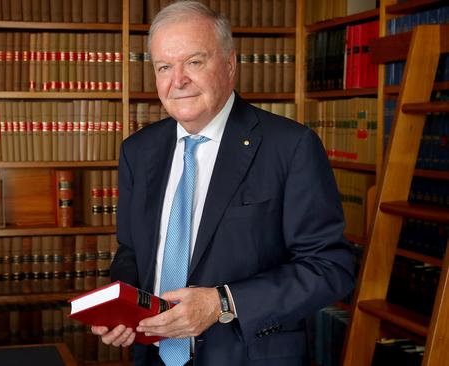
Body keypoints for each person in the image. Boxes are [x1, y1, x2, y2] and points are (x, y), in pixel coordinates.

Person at [91, 1, 356, 365]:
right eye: (164, 66)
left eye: (194, 62)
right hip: (152, 357)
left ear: (230, 64)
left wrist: (222, 302)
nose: (178, 80)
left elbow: (330, 268)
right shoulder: (139, 151)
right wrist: (122, 306)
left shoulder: (290, 146)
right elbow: (132, 252)